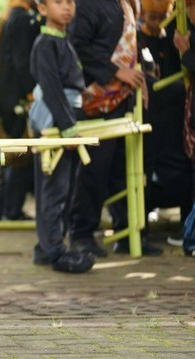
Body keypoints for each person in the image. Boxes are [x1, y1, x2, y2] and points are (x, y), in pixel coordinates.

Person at [69, 0, 163, 257]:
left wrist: (139, 77)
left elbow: (132, 48)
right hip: (97, 99)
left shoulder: (129, 4)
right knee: (95, 168)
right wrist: (115, 71)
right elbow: (77, 47)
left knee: (126, 167)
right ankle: (81, 234)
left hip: (126, 99)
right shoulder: (88, 4)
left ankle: (130, 232)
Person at [29, 0, 95, 273]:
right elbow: (52, 88)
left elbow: (66, 82)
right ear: (42, 8)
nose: (67, 7)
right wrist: (68, 127)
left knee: (63, 187)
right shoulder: (45, 44)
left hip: (65, 118)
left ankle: (50, 246)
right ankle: (53, 250)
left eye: (70, 2)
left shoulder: (62, 40)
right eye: (58, 2)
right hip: (56, 123)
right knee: (54, 188)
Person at [139, 0, 193, 245]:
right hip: (157, 122)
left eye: (162, 16)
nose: (158, 22)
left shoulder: (175, 35)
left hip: (177, 122)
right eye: (152, 16)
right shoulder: (141, 40)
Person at [0, 0, 40, 222]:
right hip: (13, 96)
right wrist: (30, 91)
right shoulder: (20, 18)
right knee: (19, 153)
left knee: (9, 154)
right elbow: (21, 60)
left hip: (4, 94)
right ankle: (11, 210)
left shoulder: (10, 16)